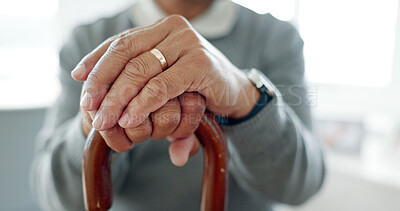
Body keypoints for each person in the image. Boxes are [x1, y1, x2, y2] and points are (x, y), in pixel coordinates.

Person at [31, 0, 325, 210]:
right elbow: (54, 196)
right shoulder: (88, 41)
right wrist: (95, 122)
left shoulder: (277, 38)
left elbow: (302, 184)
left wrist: (244, 96)